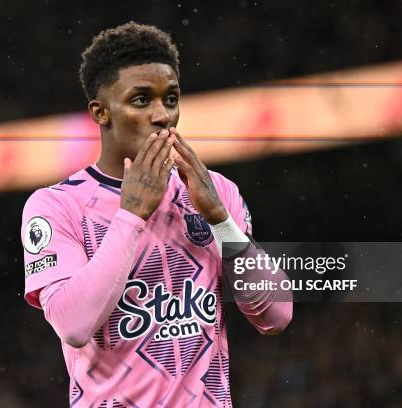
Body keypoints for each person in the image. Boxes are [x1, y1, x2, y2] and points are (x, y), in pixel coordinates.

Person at [21, 21, 292, 407]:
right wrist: (130, 217)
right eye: (141, 100)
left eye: (171, 99)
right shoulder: (57, 205)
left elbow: (276, 316)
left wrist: (220, 218)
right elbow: (73, 324)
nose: (163, 115)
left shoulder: (214, 192)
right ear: (101, 112)